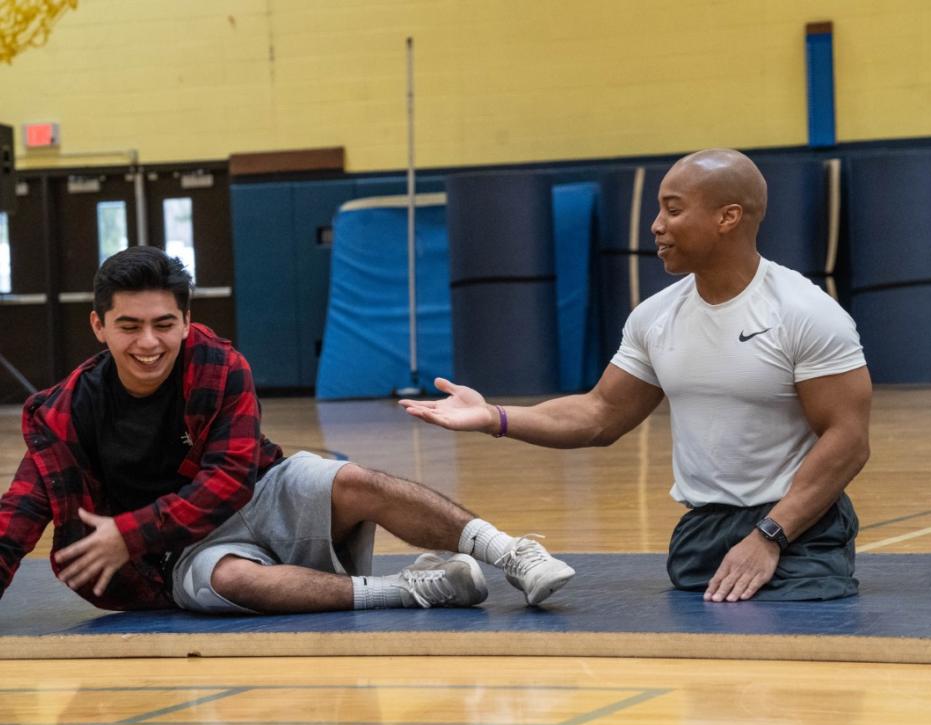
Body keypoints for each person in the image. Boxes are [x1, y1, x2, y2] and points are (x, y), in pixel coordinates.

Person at [402, 148, 871, 603]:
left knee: (785, 619)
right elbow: (600, 414)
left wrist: (769, 536)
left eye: (673, 210)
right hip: (704, 528)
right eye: (659, 210)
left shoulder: (805, 312)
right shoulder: (655, 317)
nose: (657, 225)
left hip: (799, 523)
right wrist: (493, 417)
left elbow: (847, 439)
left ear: (727, 218)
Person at [0, 246, 575, 614]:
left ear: (186, 322)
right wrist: (135, 540)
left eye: (162, 324)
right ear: (99, 326)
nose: (147, 343)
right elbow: (22, 511)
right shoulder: (66, 410)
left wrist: (129, 530)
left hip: (256, 490)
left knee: (354, 480)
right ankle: (414, 589)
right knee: (231, 582)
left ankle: (512, 553)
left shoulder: (221, 366)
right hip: (174, 553)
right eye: (128, 326)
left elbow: (228, 481)